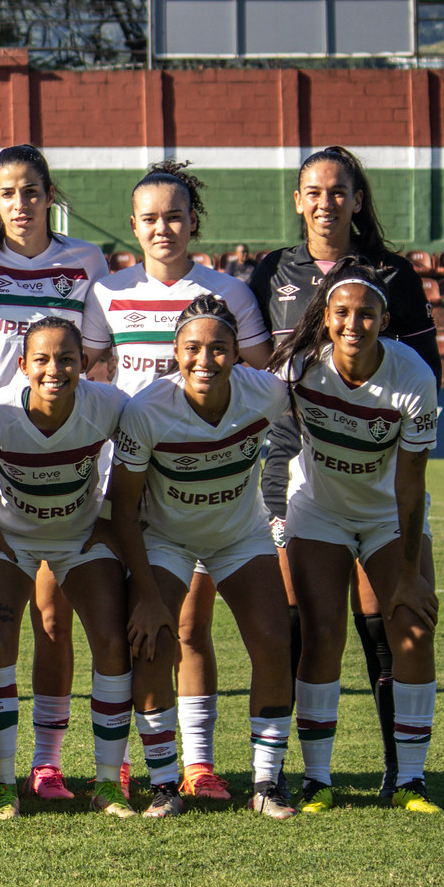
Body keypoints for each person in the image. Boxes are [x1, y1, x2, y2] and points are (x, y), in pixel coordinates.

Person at [247, 146, 439, 800]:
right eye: (314, 190)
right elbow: (259, 382)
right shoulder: (273, 273)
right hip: (310, 482)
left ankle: (404, 774)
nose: (326, 201)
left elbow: (417, 383)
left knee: (395, 622)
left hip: (379, 480)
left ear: (357, 199)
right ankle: (317, 776)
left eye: (339, 190)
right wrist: (272, 497)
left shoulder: (393, 276)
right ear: (298, 200)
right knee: (314, 625)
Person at [80, 161, 271, 806]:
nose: (163, 228)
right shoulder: (106, 294)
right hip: (133, 485)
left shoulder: (232, 295)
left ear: (194, 222)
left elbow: (254, 390)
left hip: (211, 487)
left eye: (175, 216)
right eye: (150, 218)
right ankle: (145, 761)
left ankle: (199, 763)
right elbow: (92, 374)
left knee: (194, 624)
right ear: (132, 225)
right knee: (141, 629)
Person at [0, 146, 109, 805]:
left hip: (62, 449)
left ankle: (46, 762)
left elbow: (92, 351)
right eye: (8, 192)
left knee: (54, 613)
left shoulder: (86, 262)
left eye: (32, 191)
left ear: (50, 195)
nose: (21, 203)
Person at [107, 296, 299, 820]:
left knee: (275, 641)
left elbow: (314, 406)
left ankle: (267, 782)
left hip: (239, 535)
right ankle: (166, 784)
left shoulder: (267, 393)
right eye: (193, 348)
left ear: (238, 354)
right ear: (175, 351)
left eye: (219, 349)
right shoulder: (146, 410)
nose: (205, 360)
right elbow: (123, 511)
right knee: (151, 645)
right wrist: (147, 597)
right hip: (166, 539)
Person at [0, 319, 148, 819]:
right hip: (11, 539)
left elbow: (143, 455)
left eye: (66, 358)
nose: (54, 369)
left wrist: (108, 517)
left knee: (111, 641)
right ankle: (1, 783)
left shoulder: (110, 405)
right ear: (22, 366)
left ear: (84, 364)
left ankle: (108, 783)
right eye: (41, 359)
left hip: (79, 537)